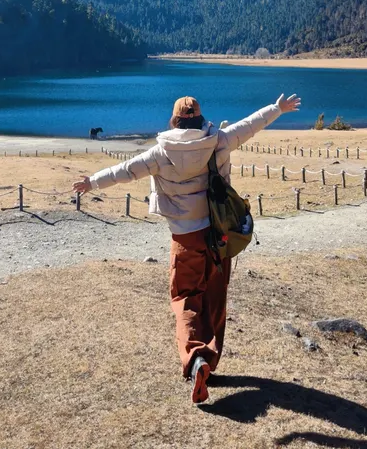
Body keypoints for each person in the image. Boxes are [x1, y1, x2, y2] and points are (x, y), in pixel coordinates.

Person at [72, 91, 301, 403]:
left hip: (185, 238)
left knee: (185, 299)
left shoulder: (160, 153)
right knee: (216, 298)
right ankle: (210, 359)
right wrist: (277, 108)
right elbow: (250, 125)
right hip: (220, 236)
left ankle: (196, 359)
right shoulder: (218, 140)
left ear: (174, 120)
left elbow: (125, 171)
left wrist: (92, 182)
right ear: (199, 118)